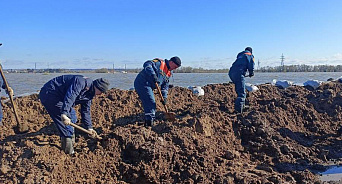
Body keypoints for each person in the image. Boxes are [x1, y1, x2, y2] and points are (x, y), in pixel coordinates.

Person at [39, 75, 109, 154]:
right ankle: (69, 151)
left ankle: (71, 143)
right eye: (101, 92)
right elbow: (71, 95)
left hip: (62, 98)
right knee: (65, 125)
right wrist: (64, 113)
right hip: (50, 93)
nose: (101, 94)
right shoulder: (81, 82)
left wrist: (89, 127)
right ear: (98, 87)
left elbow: (86, 111)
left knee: (73, 119)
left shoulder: (90, 94)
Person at [134, 56, 181, 127]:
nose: (174, 69)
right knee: (150, 101)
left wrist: (164, 97)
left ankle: (149, 119)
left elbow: (165, 86)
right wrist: (152, 74)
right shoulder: (160, 63)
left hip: (150, 85)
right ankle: (149, 122)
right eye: (174, 67)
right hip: (142, 82)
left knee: (150, 101)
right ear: (171, 62)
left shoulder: (168, 72)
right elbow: (147, 64)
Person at [228, 47, 255, 113]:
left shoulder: (240, 55)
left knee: (239, 88)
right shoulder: (250, 55)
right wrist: (251, 72)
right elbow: (251, 64)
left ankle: (242, 106)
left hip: (231, 73)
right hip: (239, 73)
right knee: (242, 93)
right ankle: (239, 111)